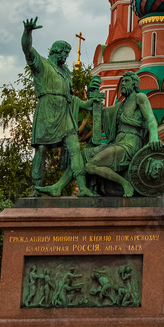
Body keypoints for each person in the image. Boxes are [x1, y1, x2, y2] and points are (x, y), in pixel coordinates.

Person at [21, 17, 98, 196]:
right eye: (65, 53)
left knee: (74, 149)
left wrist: (89, 103)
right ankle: (37, 189)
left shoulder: (65, 72)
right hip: (47, 110)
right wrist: (28, 32)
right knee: (41, 150)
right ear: (58, 51)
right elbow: (27, 50)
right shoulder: (42, 64)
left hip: (64, 113)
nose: (66, 57)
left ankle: (83, 188)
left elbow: (72, 99)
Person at [83, 71, 161, 197]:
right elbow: (99, 114)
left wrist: (153, 137)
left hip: (130, 145)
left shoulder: (140, 98)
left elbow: (150, 119)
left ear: (135, 84)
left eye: (127, 81)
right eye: (122, 82)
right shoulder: (120, 105)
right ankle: (79, 189)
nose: (123, 84)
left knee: (91, 165)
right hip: (117, 143)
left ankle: (125, 184)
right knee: (83, 154)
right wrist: (92, 95)